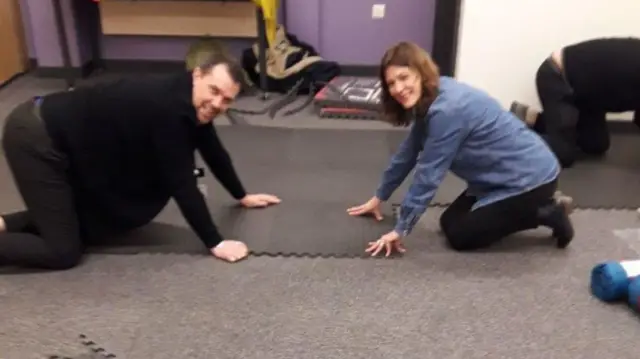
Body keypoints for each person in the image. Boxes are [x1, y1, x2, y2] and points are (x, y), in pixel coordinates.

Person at [0, 55, 280, 270]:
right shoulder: (170, 110)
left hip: (60, 137)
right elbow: (182, 182)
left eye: (226, 100)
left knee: (75, 222)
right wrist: (215, 242)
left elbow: (214, 150)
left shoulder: (187, 98)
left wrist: (241, 195)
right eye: (214, 90)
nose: (217, 103)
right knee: (62, 251)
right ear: (197, 75)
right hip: (35, 138)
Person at [347, 41, 574, 257]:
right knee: (449, 223)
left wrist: (401, 228)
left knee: (460, 237)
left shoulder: (447, 110)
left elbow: (429, 174)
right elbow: (407, 154)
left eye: (403, 77)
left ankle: (548, 212)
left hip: (531, 179)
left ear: (420, 72)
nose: (398, 88)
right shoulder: (431, 95)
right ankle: (526, 207)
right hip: (496, 179)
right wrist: (379, 197)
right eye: (391, 83)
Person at [510, 37, 640, 168]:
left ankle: (535, 119)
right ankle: (508, 139)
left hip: (589, 94)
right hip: (558, 76)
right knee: (563, 154)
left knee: (596, 145)